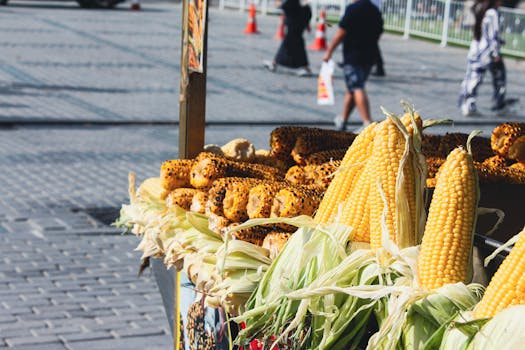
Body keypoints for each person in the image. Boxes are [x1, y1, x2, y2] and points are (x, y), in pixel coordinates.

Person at [323, 0, 383, 131]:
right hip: (369, 56)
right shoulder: (374, 10)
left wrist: (329, 51)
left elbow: (341, 33)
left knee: (357, 87)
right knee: (352, 89)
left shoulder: (353, 9)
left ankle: (367, 122)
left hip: (353, 55)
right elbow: (379, 32)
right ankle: (343, 120)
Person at [458, 0, 507, 116]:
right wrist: (496, 53)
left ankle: (467, 103)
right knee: (499, 78)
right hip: (487, 53)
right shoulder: (492, 13)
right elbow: (492, 35)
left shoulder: (480, 9)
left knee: (473, 77)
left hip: (476, 50)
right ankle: (498, 104)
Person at [264, 0, 312, 76]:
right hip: (299, 18)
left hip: (295, 20)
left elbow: (285, 5)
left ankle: (274, 64)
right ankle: (274, 64)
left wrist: (277, 2)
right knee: (294, 43)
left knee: (290, 43)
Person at [370, 0, 386, 76]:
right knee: (372, 44)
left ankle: (379, 67)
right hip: (372, 13)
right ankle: (379, 66)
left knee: (372, 44)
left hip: (371, 14)